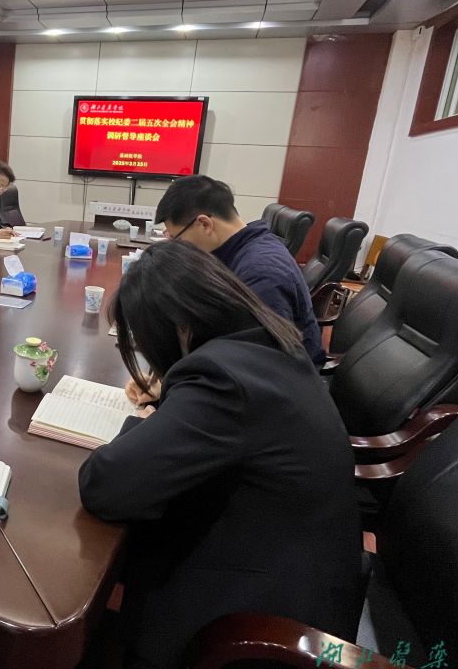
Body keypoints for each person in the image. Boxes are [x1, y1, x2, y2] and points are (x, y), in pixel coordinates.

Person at [78, 242, 361, 669]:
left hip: (258, 624)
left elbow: (106, 485)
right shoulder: (269, 341)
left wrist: (141, 424)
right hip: (309, 569)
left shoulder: (222, 379)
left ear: (179, 327)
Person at [155, 175, 324, 368]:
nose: (174, 246)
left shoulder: (261, 274)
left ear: (205, 224)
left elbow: (261, 365)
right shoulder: (239, 250)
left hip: (282, 378)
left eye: (175, 238)